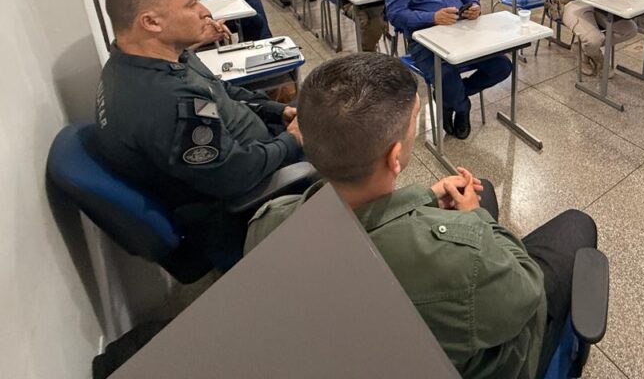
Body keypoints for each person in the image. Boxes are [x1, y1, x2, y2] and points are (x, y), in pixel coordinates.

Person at [244, 53, 598, 379]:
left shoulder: (267, 222)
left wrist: (426, 198)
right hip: (496, 361)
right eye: (414, 121)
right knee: (576, 224)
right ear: (394, 156)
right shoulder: (464, 262)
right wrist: (476, 219)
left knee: (483, 189)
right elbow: (527, 293)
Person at [94, 0, 303, 256]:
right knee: (351, 140)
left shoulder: (160, 57)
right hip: (249, 199)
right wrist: (292, 141)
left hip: (259, 147)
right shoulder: (166, 100)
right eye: (192, 4)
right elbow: (234, 175)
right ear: (151, 22)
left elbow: (223, 92)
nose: (205, 11)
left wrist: (277, 111)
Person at [385, 0, 511, 138]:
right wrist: (432, 17)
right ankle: (462, 107)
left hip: (462, 32)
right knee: (446, 75)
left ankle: (448, 99)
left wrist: (474, 7)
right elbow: (395, 15)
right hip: (425, 41)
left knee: (502, 66)